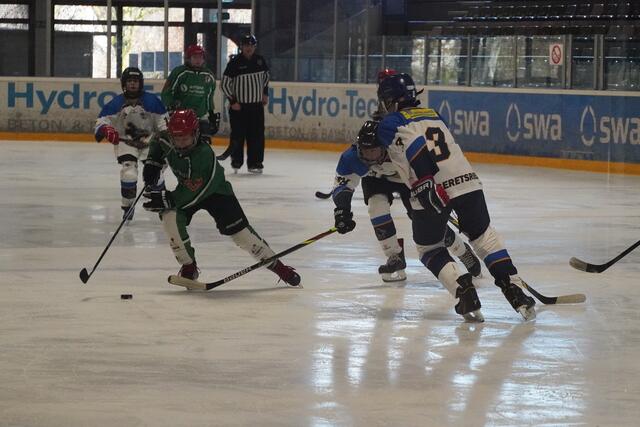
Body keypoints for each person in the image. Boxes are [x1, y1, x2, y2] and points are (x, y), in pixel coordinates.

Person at [361, 73, 536, 321]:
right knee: (483, 237)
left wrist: (425, 182)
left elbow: (415, 146)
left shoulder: (390, 123)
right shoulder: (434, 114)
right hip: (468, 181)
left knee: (429, 248)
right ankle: (514, 288)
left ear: (389, 100)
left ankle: (464, 291)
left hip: (431, 187)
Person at [141, 109, 300, 287]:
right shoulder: (166, 139)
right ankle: (189, 266)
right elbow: (157, 142)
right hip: (188, 189)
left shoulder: (203, 154)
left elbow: (195, 190)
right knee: (170, 217)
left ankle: (279, 267)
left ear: (196, 134)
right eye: (176, 139)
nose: (180, 144)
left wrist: (169, 199)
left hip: (216, 192)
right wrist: (152, 162)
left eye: (185, 138)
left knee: (242, 236)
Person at [332, 120, 482, 283]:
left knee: (429, 222)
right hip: (377, 179)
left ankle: (462, 251)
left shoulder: (402, 147)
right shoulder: (352, 157)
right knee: (376, 207)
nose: (369, 158)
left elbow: (430, 166)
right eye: (365, 152)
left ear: (384, 146)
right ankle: (394, 256)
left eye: (373, 152)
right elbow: (342, 184)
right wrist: (342, 210)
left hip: (409, 178)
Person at [95, 66, 168, 222]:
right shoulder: (117, 103)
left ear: (140, 83)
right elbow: (101, 121)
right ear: (124, 84)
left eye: (135, 81)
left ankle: (161, 203)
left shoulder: (152, 101)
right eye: (129, 81)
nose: (133, 84)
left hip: (149, 142)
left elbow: (163, 122)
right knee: (129, 173)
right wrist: (106, 129)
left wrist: (165, 136)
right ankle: (128, 206)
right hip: (126, 142)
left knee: (157, 175)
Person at [220, 34, 270, 174]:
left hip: (256, 106)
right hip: (239, 107)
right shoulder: (234, 63)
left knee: (257, 135)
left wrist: (265, 93)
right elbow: (224, 84)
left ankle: (255, 162)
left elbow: (266, 78)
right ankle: (236, 161)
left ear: (255, 47)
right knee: (238, 136)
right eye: (246, 45)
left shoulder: (260, 61)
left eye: (251, 45)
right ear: (241, 47)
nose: (249, 48)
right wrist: (233, 101)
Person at [161, 44, 220, 144]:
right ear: (188, 58)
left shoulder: (209, 75)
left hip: (200, 116)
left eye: (200, 57)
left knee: (203, 144)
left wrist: (211, 114)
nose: (198, 60)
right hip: (181, 117)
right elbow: (167, 92)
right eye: (195, 57)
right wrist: (171, 107)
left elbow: (209, 97)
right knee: (182, 144)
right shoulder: (180, 72)